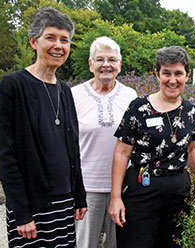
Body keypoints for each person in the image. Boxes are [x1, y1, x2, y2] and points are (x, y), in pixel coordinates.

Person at [0, 7, 87, 248]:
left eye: (65, 40)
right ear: (33, 41)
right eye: (50, 38)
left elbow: (72, 147)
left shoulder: (64, 90)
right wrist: (21, 211)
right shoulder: (12, 86)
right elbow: (4, 154)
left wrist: (79, 195)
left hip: (64, 204)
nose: (58, 46)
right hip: (31, 205)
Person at [108, 46, 195, 248]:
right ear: (157, 74)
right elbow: (122, 153)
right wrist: (115, 197)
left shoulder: (192, 111)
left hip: (177, 190)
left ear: (187, 75)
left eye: (178, 73)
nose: (172, 80)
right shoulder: (138, 108)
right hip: (142, 188)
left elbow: (191, 149)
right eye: (166, 73)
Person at [72, 36, 137, 248]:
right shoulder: (74, 95)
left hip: (123, 187)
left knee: (117, 244)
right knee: (84, 244)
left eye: (111, 59)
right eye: (100, 59)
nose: (106, 65)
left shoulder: (130, 96)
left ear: (120, 63)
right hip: (87, 188)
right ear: (91, 64)